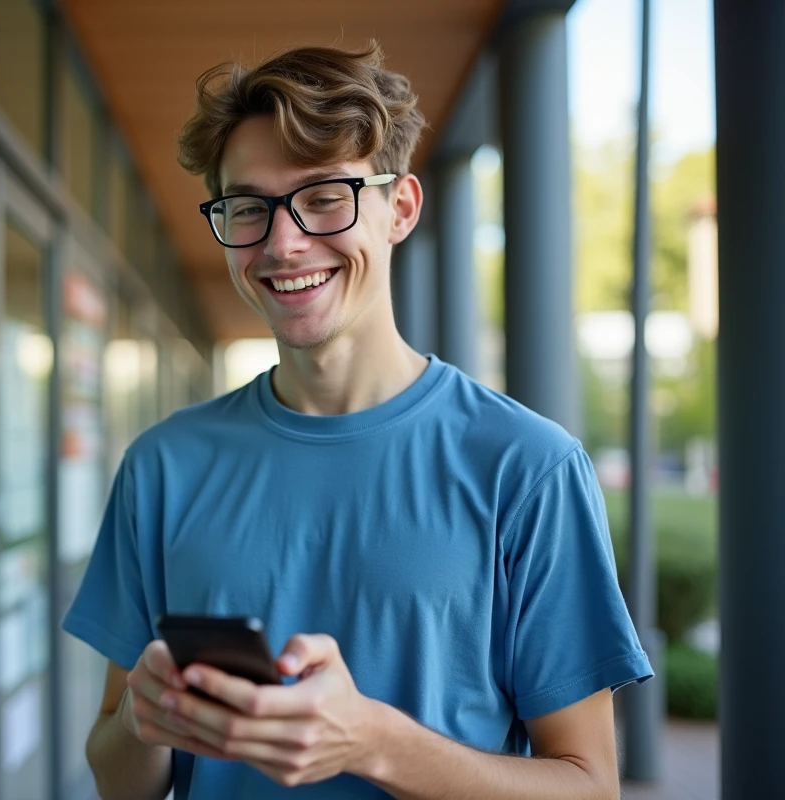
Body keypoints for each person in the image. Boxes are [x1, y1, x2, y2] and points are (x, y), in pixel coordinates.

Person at [62, 40, 651, 800]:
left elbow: (589, 787)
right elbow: (119, 781)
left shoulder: (526, 465)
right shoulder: (163, 467)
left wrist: (375, 743)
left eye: (324, 197)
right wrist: (143, 720)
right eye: (249, 207)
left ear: (400, 207)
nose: (283, 242)